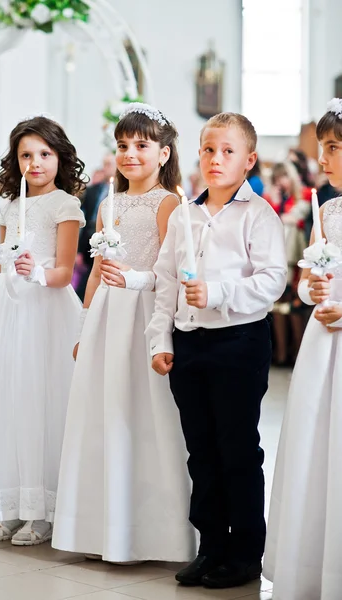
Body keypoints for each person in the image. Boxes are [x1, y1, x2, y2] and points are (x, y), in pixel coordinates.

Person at [147, 112, 287, 589]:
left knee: (237, 449)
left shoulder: (259, 214)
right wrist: (160, 339)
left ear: (248, 160)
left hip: (238, 343)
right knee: (200, 450)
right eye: (208, 149)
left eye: (228, 151)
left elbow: (272, 280)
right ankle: (211, 545)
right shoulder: (185, 214)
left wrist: (220, 291)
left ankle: (246, 553)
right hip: (189, 344)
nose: (216, 159)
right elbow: (165, 281)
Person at [52, 103, 196, 563]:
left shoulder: (169, 203)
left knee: (143, 416)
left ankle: (151, 533)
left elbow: (166, 273)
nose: (130, 154)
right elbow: (94, 272)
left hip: (143, 316)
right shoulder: (107, 203)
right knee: (102, 414)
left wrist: (134, 280)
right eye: (122, 146)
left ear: (164, 153)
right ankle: (98, 529)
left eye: (141, 145)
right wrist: (84, 322)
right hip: (106, 318)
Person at [0, 116, 86, 546]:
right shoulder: (8, 204)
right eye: (26, 155)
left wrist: (37, 272)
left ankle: (41, 511)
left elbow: (65, 273)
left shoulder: (66, 206)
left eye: (44, 154)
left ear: (59, 157)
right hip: (7, 308)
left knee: (39, 402)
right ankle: (8, 503)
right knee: (4, 401)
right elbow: (3, 261)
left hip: (46, 311)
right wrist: (10, 268)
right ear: (15, 160)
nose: (35, 163)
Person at [264, 99, 342, 600]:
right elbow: (317, 274)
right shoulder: (329, 211)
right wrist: (314, 286)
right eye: (322, 149)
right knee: (320, 444)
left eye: (333, 148)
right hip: (325, 343)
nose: (324, 160)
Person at [264, 162, 311, 365]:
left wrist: (283, 214)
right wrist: (275, 201)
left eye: (283, 177)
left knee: (294, 308)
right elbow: (271, 221)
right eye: (276, 179)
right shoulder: (278, 200)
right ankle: (281, 353)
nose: (281, 182)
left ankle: (298, 354)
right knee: (278, 308)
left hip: (297, 258)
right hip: (279, 257)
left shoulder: (306, 195)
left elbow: (296, 219)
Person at [76, 153, 116, 299]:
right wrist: (79, 251)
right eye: (104, 164)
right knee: (86, 279)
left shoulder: (120, 191)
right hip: (89, 239)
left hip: (109, 240)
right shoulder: (92, 190)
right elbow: (83, 221)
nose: (106, 168)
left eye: (109, 164)